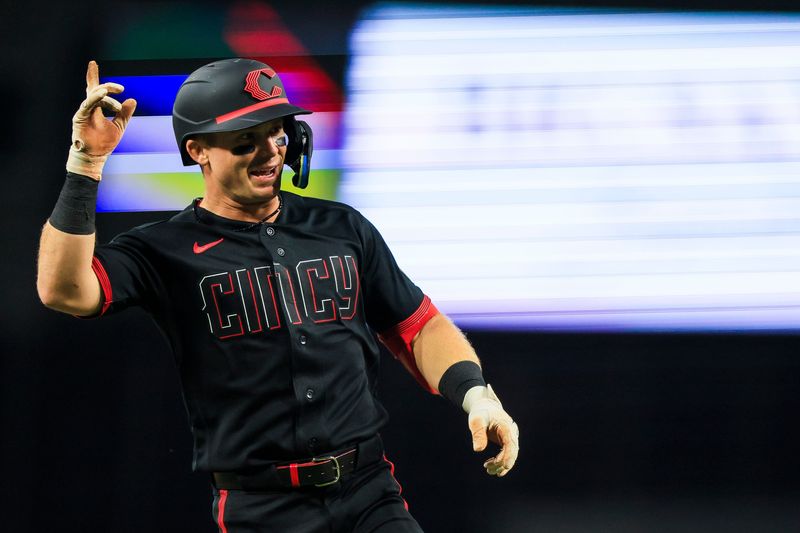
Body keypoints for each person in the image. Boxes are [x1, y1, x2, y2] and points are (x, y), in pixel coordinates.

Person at [36, 58, 520, 532]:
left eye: (278, 134)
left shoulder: (341, 226)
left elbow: (418, 325)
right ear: (199, 150)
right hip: (260, 508)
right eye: (246, 140)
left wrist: (477, 394)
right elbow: (63, 290)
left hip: (368, 491)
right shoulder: (163, 248)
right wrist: (87, 163)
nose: (270, 153)